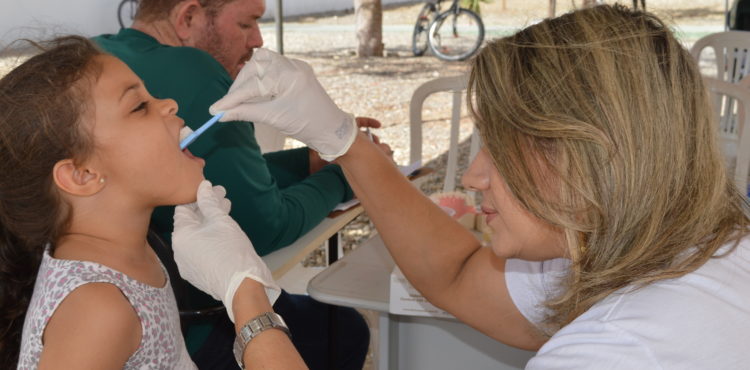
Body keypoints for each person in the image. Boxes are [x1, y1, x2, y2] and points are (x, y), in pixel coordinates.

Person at [175, 4, 750, 369]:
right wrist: (345, 142)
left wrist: (246, 299)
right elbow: (460, 277)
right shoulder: (684, 243)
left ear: (592, 154)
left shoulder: (620, 352)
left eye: (500, 148)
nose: (475, 177)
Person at [92, 1, 377, 368]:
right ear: (188, 17)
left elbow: (225, 177)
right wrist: (347, 172)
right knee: (344, 328)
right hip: (198, 324)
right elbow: (265, 226)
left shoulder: (95, 56)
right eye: (247, 23)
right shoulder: (194, 69)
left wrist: (308, 161)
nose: (258, 39)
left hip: (171, 314)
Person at [0, 36, 278, 369]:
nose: (171, 104)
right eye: (139, 106)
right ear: (82, 175)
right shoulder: (98, 309)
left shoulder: (131, 250)